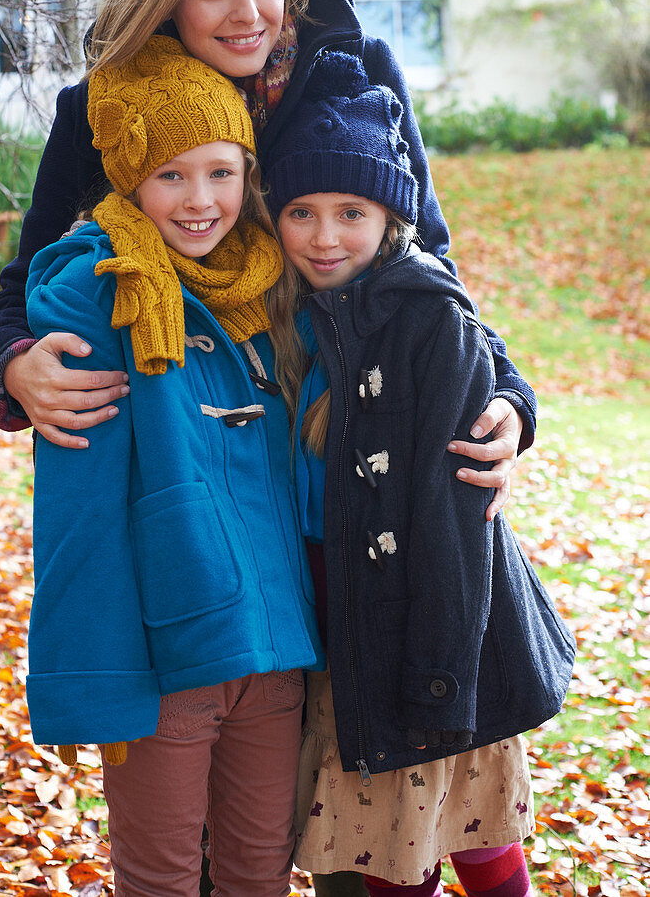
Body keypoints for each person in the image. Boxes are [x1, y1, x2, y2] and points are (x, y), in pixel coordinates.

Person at [0, 0, 536, 523]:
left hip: (356, 432)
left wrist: (506, 391)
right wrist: (13, 368)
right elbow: (21, 287)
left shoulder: (359, 76)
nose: (248, 14)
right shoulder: (102, 110)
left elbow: (429, 259)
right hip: (198, 460)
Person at [262, 52, 576, 897]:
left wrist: (438, 677)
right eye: (302, 211)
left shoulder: (431, 321)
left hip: (434, 630)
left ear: (392, 217)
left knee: (460, 825)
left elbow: (454, 523)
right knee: (387, 837)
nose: (325, 237)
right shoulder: (294, 321)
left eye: (351, 213)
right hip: (338, 620)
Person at [24, 38, 325, 897]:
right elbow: (81, 505)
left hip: (275, 646)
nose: (201, 201)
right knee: (158, 879)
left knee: (260, 873)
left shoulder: (276, 284)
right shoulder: (101, 285)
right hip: (167, 660)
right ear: (129, 184)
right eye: (171, 177)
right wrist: (95, 673)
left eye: (222, 173)